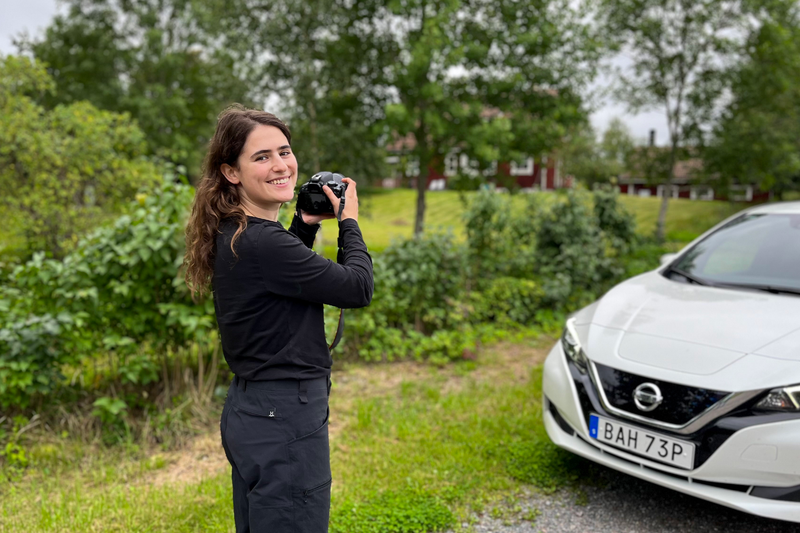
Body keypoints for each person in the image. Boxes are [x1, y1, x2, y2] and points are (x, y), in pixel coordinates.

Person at [183, 104, 373, 532]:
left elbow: (281, 283)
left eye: (284, 151)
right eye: (262, 156)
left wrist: (303, 225)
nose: (281, 165)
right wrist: (349, 223)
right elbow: (358, 287)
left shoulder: (236, 233)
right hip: (285, 415)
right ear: (231, 172)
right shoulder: (263, 243)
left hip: (253, 411)